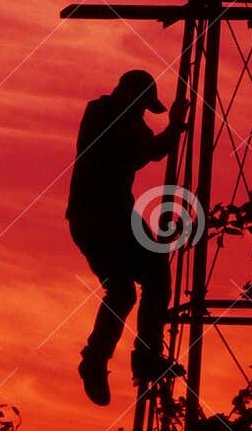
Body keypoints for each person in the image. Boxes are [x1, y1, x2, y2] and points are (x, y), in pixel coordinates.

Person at [67, 69, 189, 407]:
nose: (142, 111)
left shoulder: (125, 120)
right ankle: (128, 357)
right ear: (129, 95)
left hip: (109, 217)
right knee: (147, 277)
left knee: (127, 288)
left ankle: (107, 358)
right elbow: (141, 150)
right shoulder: (104, 113)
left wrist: (170, 132)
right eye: (142, 104)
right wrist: (174, 128)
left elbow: (147, 148)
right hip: (99, 218)